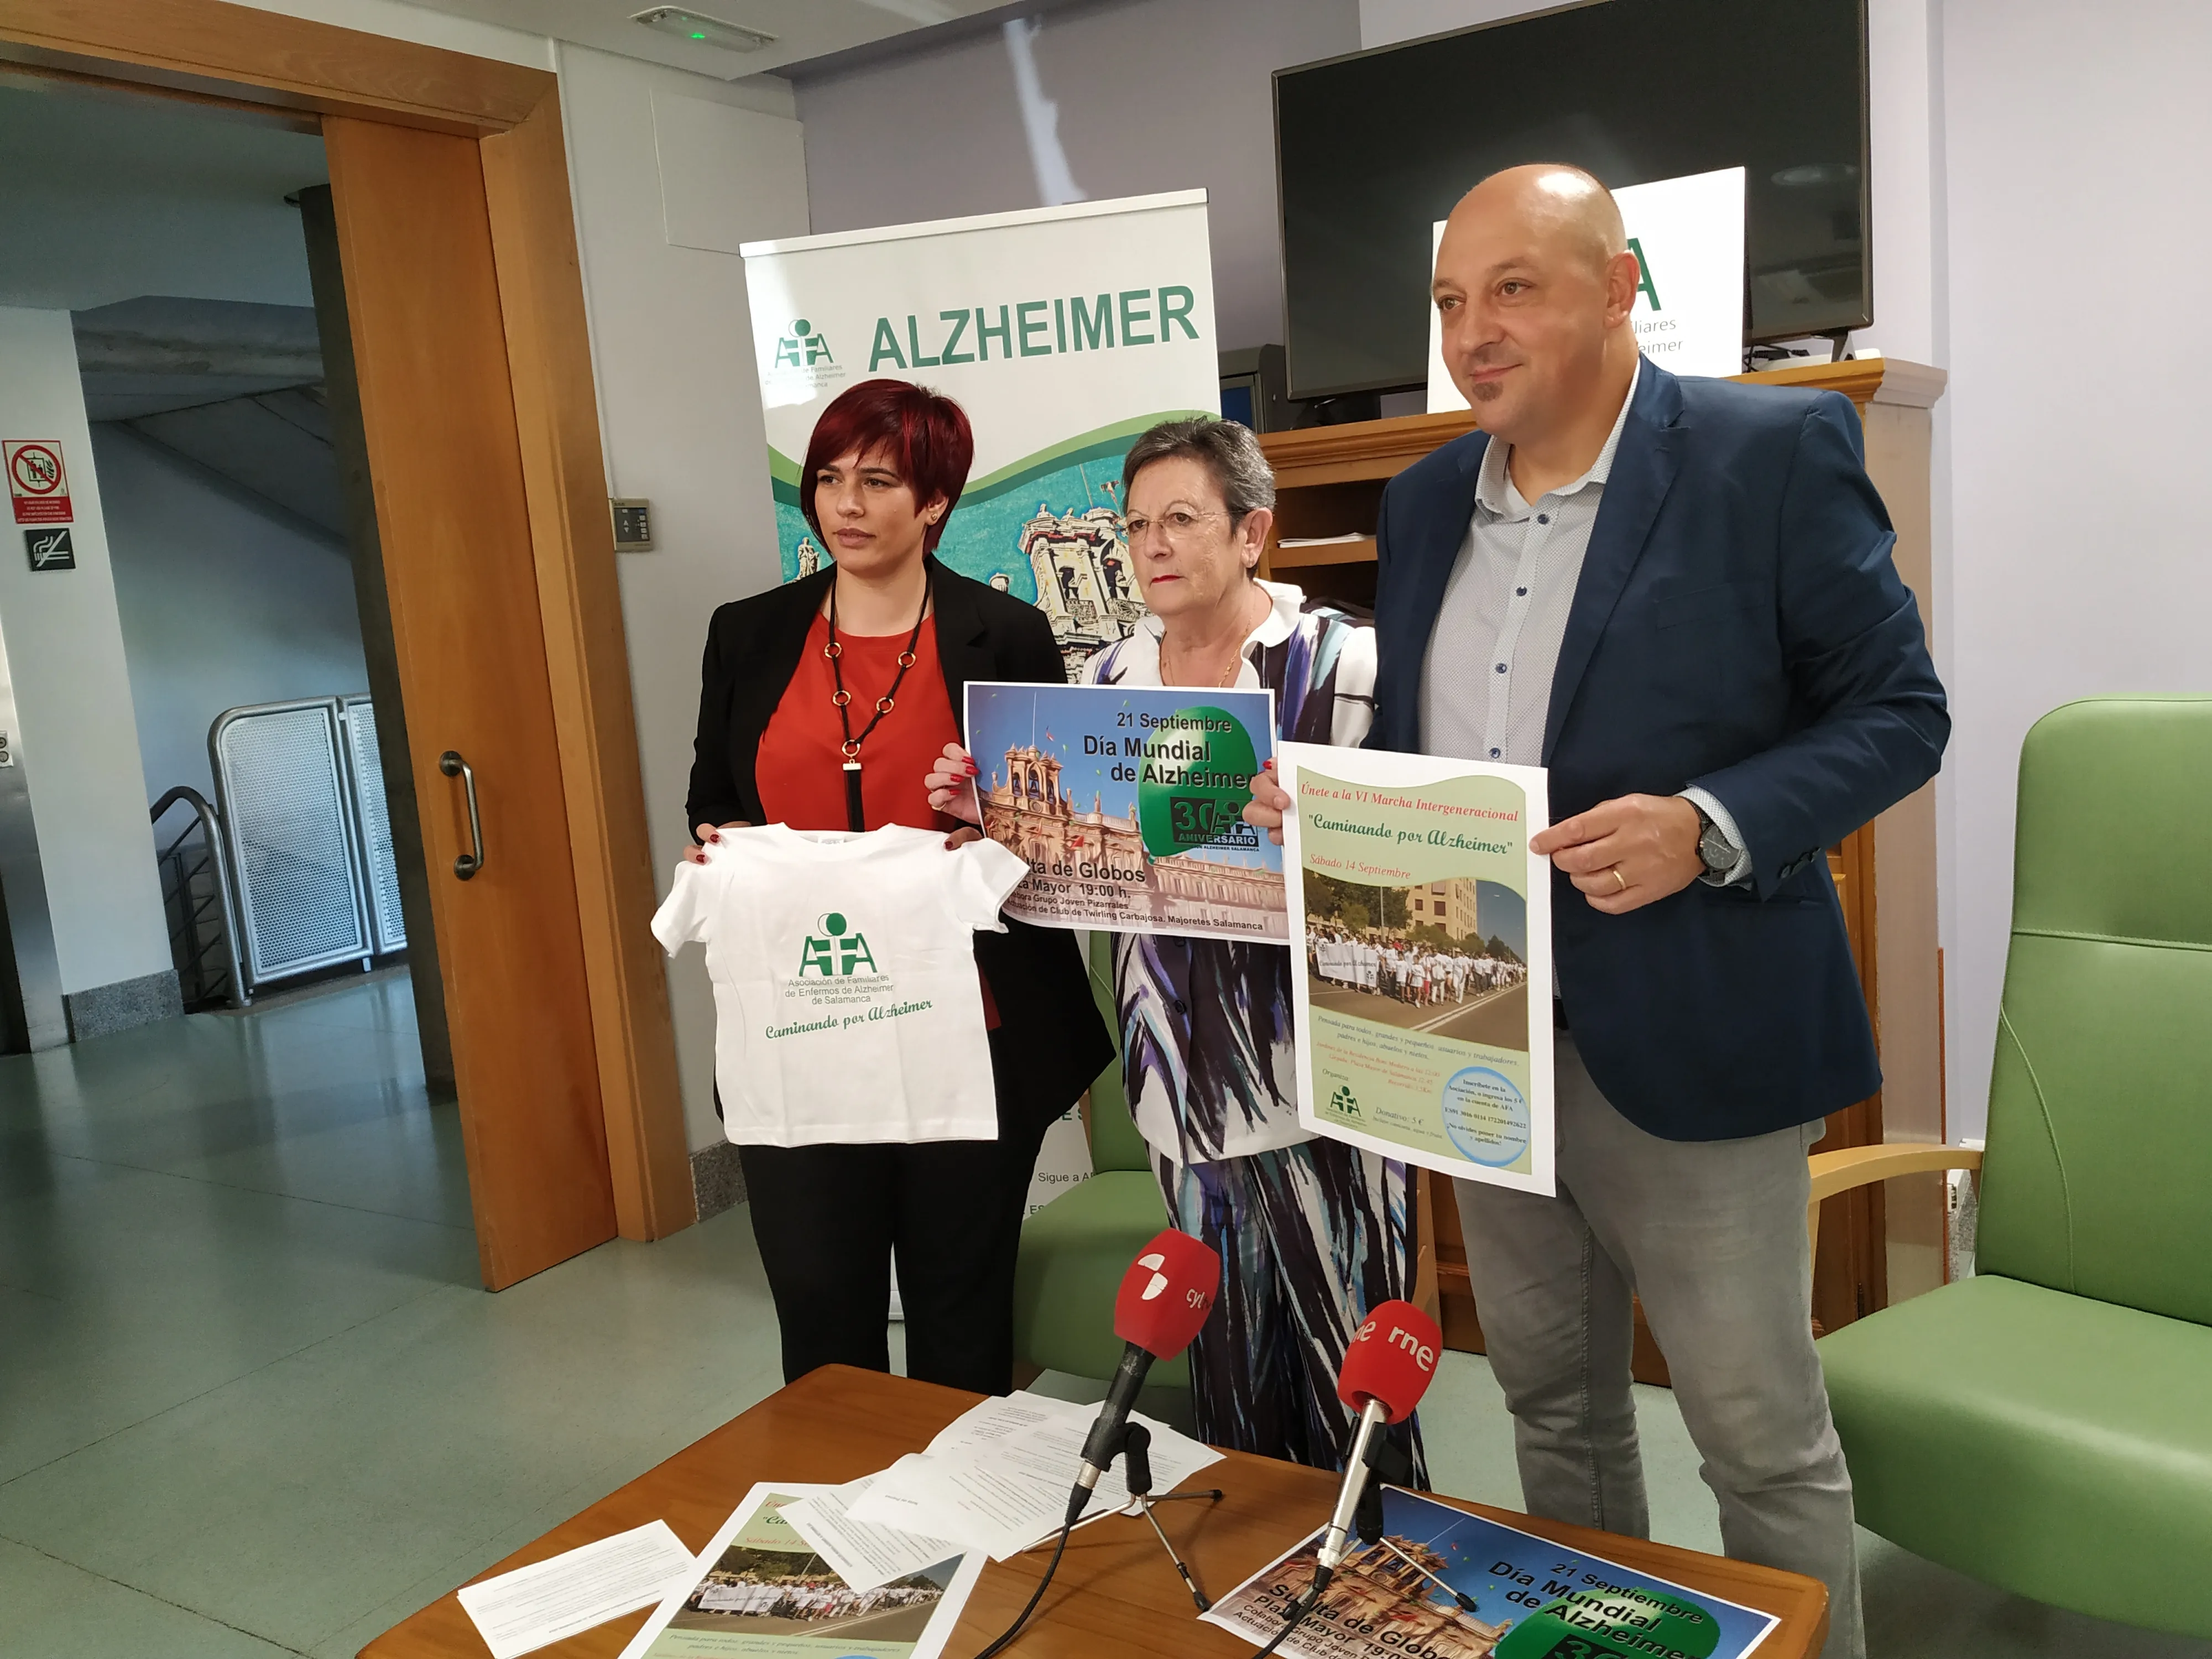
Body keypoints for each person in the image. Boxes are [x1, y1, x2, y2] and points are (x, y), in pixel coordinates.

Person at [1248, 165, 1947, 1659]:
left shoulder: (1771, 450)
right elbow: (1444, 749)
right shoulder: (1428, 495)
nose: (1472, 332)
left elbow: (1899, 712)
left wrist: (1710, 826)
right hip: (1476, 1033)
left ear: (1619, 285)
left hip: (1695, 1036)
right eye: (1449, 300)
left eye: (1515, 288)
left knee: (1756, 1435)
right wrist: (1333, 797)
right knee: (1550, 1411)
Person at [930, 416, 1417, 1474]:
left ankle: (1372, 1572)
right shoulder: (1105, 682)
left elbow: (1430, 862)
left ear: (1252, 534)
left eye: (1182, 519)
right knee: (1230, 1362)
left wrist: (1328, 827)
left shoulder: (1351, 666)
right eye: (1136, 523)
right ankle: (1253, 1576)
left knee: (1355, 1363)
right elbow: (1072, 877)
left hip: (1334, 1073)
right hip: (1178, 1079)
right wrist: (996, 817)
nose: (1152, 544)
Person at [685, 377, 1112, 1395]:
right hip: (805, 1033)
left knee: (963, 1318)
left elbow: (1045, 838)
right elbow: (710, 797)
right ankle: (850, 1530)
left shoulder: (1003, 636)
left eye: (879, 481)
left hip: (974, 1032)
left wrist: (984, 833)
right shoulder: (747, 633)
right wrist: (726, 849)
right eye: (829, 478)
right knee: (822, 1320)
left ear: (934, 503)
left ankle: (965, 1538)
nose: (846, 504)